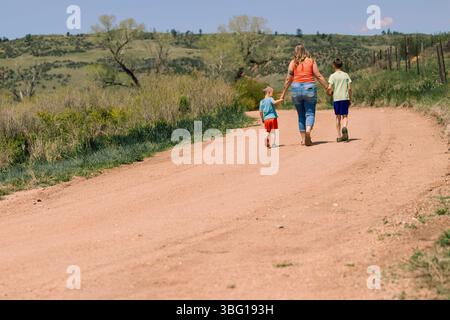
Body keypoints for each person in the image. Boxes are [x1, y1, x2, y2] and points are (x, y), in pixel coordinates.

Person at [280, 44, 329, 146]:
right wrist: (327, 87)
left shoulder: (293, 62)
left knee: (301, 115)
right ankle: (308, 132)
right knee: (310, 113)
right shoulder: (311, 61)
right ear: (305, 50)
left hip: (296, 89)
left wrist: (283, 94)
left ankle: (303, 139)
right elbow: (318, 76)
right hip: (309, 88)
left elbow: (288, 79)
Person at [327, 58, 353, 142]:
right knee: (345, 115)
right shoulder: (346, 75)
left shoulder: (332, 76)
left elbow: (330, 88)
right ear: (341, 65)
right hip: (345, 98)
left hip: (337, 99)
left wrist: (329, 93)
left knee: (337, 117)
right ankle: (344, 127)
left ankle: (338, 136)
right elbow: (349, 89)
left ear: (334, 66)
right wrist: (350, 99)